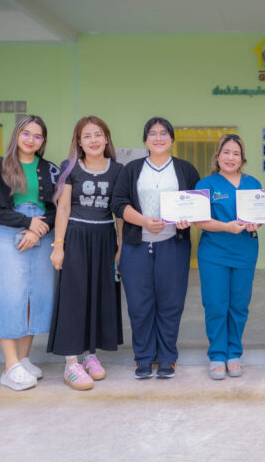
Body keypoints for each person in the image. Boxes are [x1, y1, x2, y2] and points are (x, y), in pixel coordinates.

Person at [111, 117, 199, 380]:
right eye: (152, 133)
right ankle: (144, 358)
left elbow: (197, 204)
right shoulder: (132, 169)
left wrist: (188, 219)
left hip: (174, 245)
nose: (158, 138)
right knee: (139, 305)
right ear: (145, 139)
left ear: (172, 139)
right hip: (137, 247)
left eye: (164, 133)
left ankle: (168, 358)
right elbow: (118, 203)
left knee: (171, 304)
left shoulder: (185, 169)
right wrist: (143, 221)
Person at [0, 115, 59, 391]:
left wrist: (38, 230)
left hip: (41, 233)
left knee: (35, 297)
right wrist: (25, 223)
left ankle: (23, 359)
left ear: (43, 141)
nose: (31, 140)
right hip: (6, 231)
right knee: (9, 295)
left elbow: (57, 208)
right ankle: (9, 366)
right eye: (26, 133)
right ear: (16, 135)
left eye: (37, 136)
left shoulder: (50, 169)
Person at [48, 116, 124, 391]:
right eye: (87, 135)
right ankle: (71, 363)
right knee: (74, 297)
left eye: (98, 134)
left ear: (106, 138)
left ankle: (91, 355)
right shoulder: (70, 167)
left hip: (104, 239)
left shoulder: (118, 171)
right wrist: (59, 245)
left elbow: (120, 214)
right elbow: (64, 209)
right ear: (79, 141)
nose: (93, 140)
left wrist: (120, 247)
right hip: (77, 237)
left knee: (100, 296)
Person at [194, 134, 261, 380]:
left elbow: (260, 215)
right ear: (218, 156)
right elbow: (199, 219)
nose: (231, 157)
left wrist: (256, 225)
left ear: (242, 158)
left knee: (239, 305)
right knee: (215, 304)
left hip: (245, 252)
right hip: (214, 254)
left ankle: (234, 353)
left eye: (236, 153)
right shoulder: (206, 184)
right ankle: (217, 355)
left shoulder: (253, 183)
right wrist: (225, 227)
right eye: (226, 152)